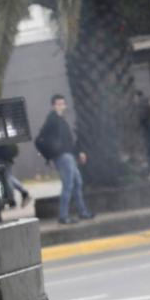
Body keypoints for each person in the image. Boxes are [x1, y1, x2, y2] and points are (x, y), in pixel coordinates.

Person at [36, 94, 93, 224]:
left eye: (63, 104)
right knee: (68, 185)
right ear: (53, 106)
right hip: (63, 158)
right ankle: (63, 216)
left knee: (77, 183)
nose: (61, 106)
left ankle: (82, 212)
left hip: (70, 157)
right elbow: (39, 141)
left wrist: (78, 153)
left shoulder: (62, 121)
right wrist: (49, 156)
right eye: (58, 104)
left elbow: (69, 142)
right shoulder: (52, 120)